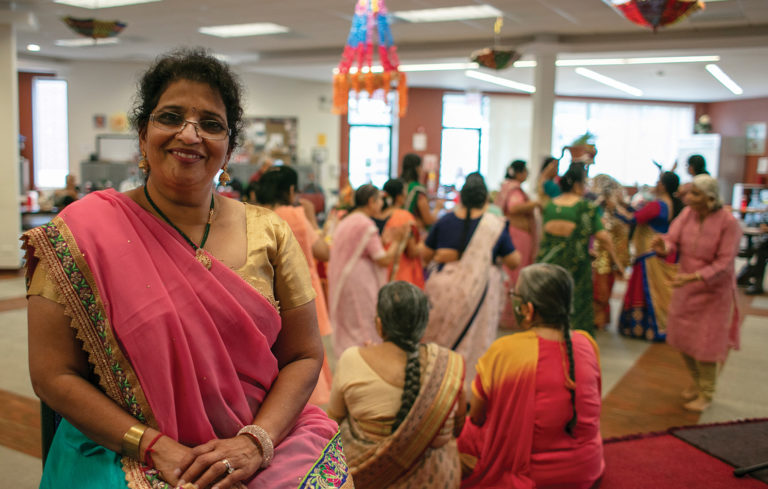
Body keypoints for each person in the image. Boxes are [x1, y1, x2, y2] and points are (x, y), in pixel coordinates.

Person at [24, 49, 350, 489]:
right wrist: (154, 446)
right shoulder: (82, 233)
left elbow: (305, 354)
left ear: (230, 148)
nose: (190, 134)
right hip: (123, 447)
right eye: (170, 116)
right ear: (143, 135)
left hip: (258, 438)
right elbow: (53, 374)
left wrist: (257, 442)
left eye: (211, 124)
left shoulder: (269, 233)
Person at [458, 264, 604, 489]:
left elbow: (478, 417)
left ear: (528, 309)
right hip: (588, 467)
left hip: (532, 476)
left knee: (463, 430)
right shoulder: (586, 343)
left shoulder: (505, 350)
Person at [328, 281, 466, 488]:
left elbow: (333, 419)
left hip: (368, 478)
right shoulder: (447, 365)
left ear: (379, 325)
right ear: (424, 326)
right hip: (437, 478)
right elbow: (457, 429)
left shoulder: (351, 359)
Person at [421, 173, 521, 390]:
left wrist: (446, 254)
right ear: (485, 199)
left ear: (462, 197)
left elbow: (425, 255)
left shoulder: (445, 221)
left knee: (440, 343)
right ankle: (465, 391)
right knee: (473, 343)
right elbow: (514, 261)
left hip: (442, 292)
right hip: (479, 294)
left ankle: (434, 386)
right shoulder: (494, 226)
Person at [652, 174, 742, 412]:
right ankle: (696, 381)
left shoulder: (728, 222)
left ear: (710, 198)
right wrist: (664, 246)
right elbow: (672, 239)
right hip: (685, 286)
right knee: (682, 337)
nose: (688, 197)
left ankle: (707, 393)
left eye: (694, 194)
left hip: (714, 291)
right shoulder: (687, 214)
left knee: (706, 343)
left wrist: (696, 276)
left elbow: (725, 261)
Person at [255, 166, 333, 406]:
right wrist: (310, 219)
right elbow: (323, 251)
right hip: (300, 296)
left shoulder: (255, 215)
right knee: (306, 356)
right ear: (291, 190)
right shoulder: (294, 214)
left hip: (265, 300)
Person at [537, 165, 622, 335]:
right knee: (575, 311)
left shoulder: (551, 206)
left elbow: (550, 238)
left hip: (549, 266)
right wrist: (618, 262)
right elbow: (603, 238)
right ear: (577, 185)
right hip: (574, 268)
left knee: (550, 308)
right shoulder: (585, 207)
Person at [328, 184, 405, 359]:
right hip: (360, 282)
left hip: (346, 279)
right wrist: (396, 243)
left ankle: (349, 357)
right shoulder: (365, 224)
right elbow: (382, 259)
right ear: (371, 201)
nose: (381, 205)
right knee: (365, 320)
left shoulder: (348, 220)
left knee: (350, 322)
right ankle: (366, 359)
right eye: (379, 201)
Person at [615, 172, 682, 341]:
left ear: (663, 186)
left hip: (649, 254)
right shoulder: (671, 204)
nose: (655, 184)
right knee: (658, 292)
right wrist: (624, 204)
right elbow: (639, 213)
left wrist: (613, 208)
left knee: (645, 290)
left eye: (658, 182)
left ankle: (643, 328)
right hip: (660, 253)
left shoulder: (658, 205)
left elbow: (632, 219)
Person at [495, 160, 540, 328]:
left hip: (517, 235)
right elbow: (513, 208)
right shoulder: (513, 188)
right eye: (526, 171)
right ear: (520, 172)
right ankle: (510, 317)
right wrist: (535, 203)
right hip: (517, 236)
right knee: (515, 275)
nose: (527, 174)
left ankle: (511, 316)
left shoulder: (509, 187)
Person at [590, 174, 631, 331]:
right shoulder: (600, 214)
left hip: (612, 260)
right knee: (601, 293)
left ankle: (601, 320)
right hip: (602, 260)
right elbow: (604, 240)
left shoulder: (617, 213)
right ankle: (596, 320)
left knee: (605, 291)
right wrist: (619, 264)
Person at [376, 178, 425, 288]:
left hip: (381, 273)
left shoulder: (379, 215)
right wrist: (424, 244)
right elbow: (412, 251)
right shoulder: (404, 217)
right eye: (404, 193)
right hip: (402, 275)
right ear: (399, 197)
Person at [401, 153, 443, 228]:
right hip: (412, 232)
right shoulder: (418, 189)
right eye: (421, 166)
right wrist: (437, 208)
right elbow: (428, 220)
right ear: (417, 168)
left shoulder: (399, 184)